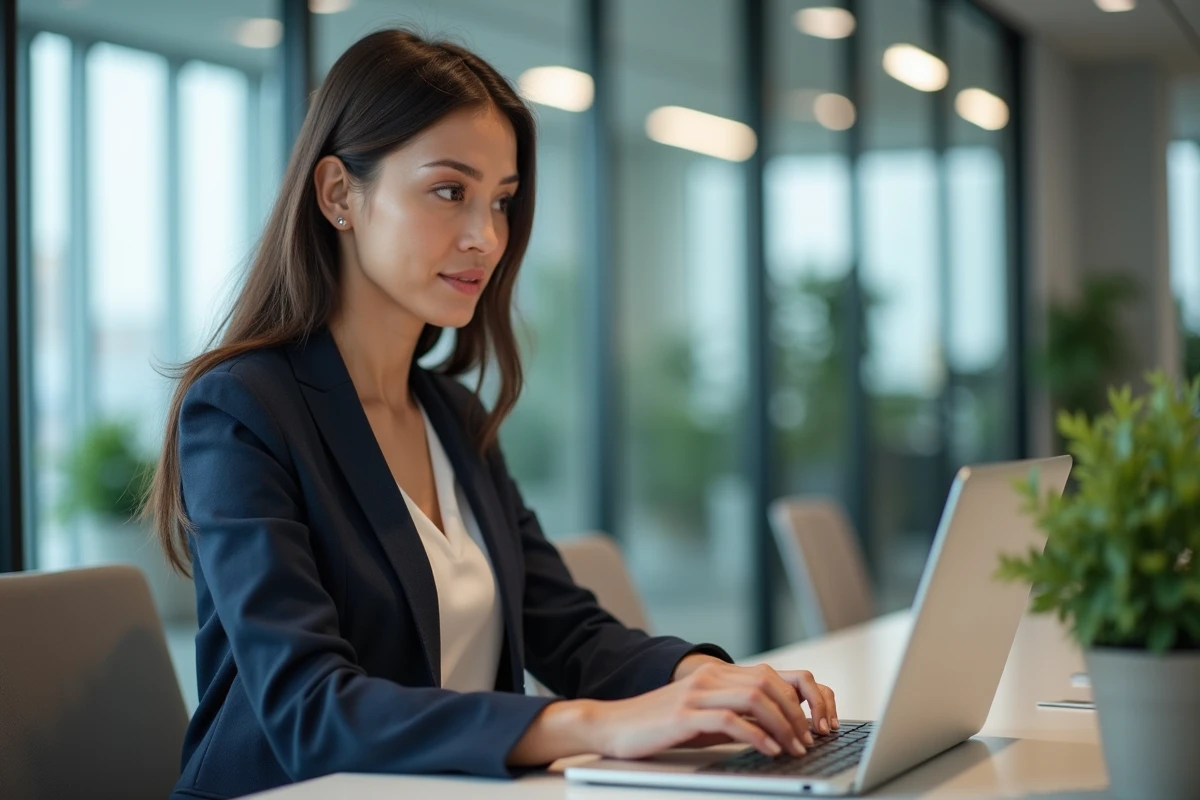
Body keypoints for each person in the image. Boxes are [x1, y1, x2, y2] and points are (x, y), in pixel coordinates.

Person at [145, 28, 837, 800]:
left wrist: (702, 681)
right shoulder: (242, 410)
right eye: (450, 191)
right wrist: (600, 726)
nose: (487, 238)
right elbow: (311, 709)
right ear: (339, 194)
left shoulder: (450, 413)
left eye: (501, 201)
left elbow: (565, 627)